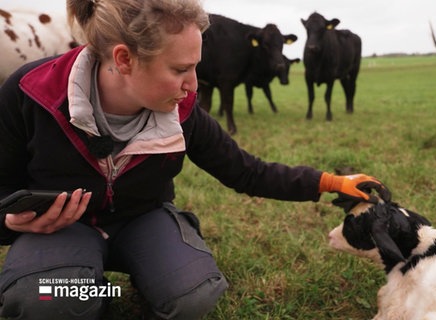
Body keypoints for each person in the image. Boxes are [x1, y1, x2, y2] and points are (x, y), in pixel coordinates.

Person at [0, 0, 390, 319]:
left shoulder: (182, 111)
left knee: (195, 295)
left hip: (142, 219)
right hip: (62, 231)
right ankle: (97, 291)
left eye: (196, 67)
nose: (193, 84)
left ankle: (107, 283)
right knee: (48, 302)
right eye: (180, 69)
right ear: (124, 59)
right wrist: (8, 221)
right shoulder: (30, 93)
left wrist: (331, 183)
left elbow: (245, 171)